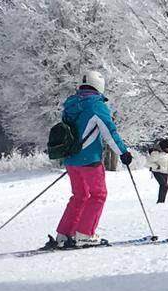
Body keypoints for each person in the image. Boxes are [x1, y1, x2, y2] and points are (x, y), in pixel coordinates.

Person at [48, 70, 129, 249]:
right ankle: (85, 234)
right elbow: (109, 132)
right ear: (99, 86)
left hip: (71, 159)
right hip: (90, 160)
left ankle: (64, 235)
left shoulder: (70, 104)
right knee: (98, 195)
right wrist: (123, 153)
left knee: (79, 195)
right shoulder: (96, 105)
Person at [147, 138, 168, 203]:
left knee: (163, 187)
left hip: (165, 171)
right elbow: (148, 163)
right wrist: (157, 166)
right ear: (164, 147)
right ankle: (160, 202)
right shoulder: (156, 153)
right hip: (157, 171)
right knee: (165, 186)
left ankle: (161, 201)